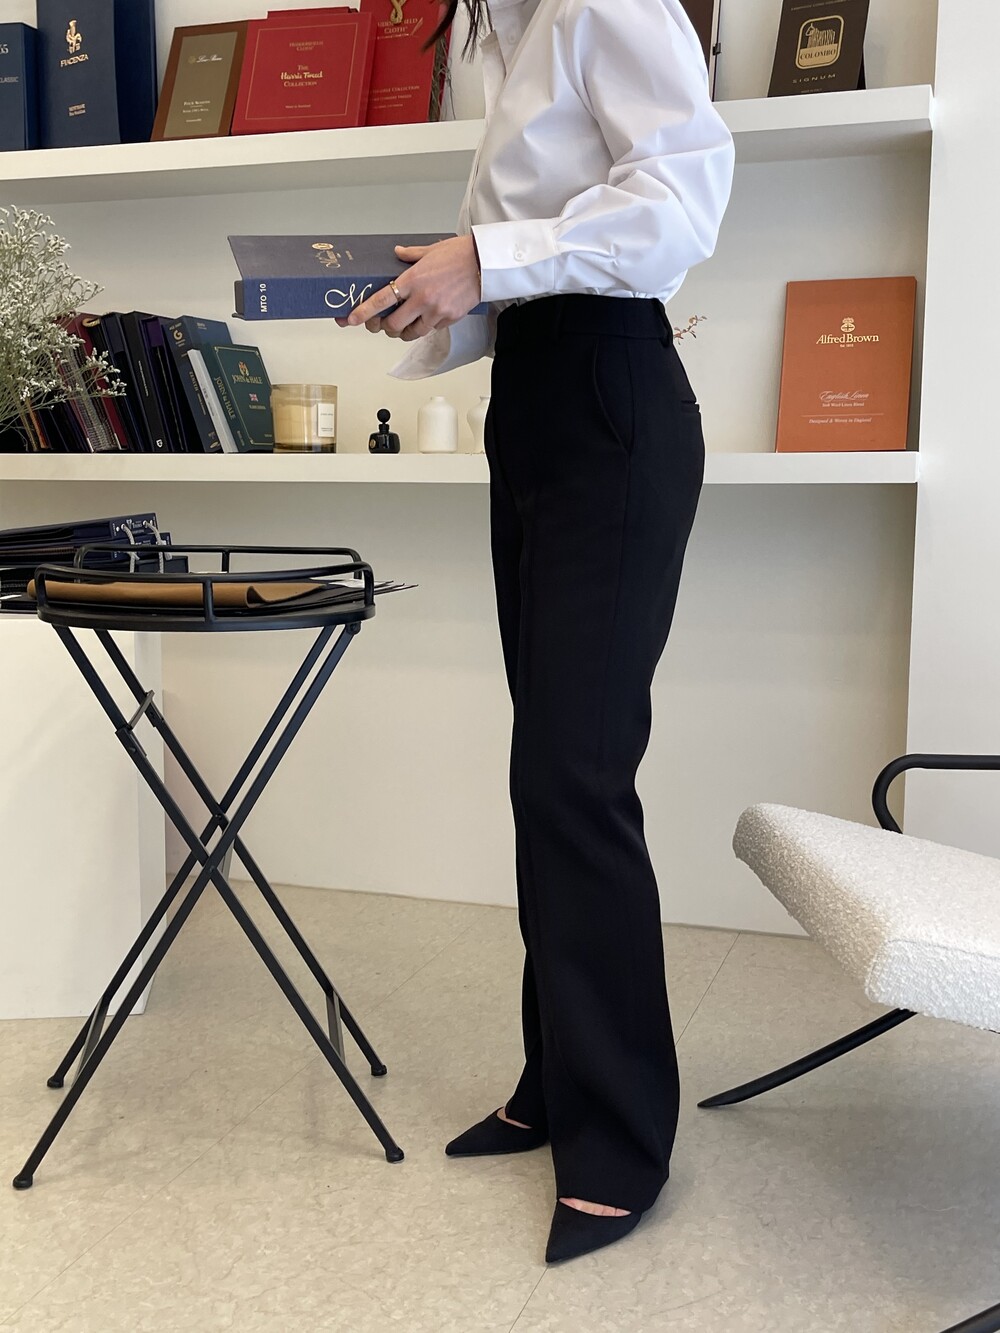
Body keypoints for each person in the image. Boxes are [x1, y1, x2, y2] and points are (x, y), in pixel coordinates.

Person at [340, 0, 735, 1264]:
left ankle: (619, 1137)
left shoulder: (598, 0)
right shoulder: (503, 36)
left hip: (610, 399)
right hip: (540, 401)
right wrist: (445, 295)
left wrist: (486, 257)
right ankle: (558, 1077)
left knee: (577, 774)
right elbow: (537, 262)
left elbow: (683, 201)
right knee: (545, 773)